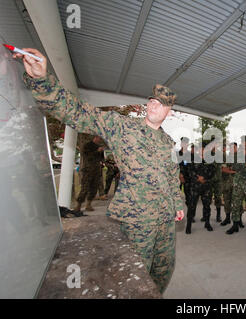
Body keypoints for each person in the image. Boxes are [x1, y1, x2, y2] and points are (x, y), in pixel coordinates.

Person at [16, 48, 184, 294]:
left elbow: (171, 177)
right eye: (152, 101)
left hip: (166, 219)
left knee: (163, 270)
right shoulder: (121, 126)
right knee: (136, 274)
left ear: (169, 111)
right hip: (138, 219)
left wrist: (178, 203)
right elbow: (77, 112)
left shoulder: (168, 142)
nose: (154, 105)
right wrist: (42, 80)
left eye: (161, 104)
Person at [185, 142, 216, 234]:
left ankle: (207, 223)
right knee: (191, 206)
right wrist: (198, 178)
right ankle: (189, 225)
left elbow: (213, 171)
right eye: (201, 149)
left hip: (206, 187)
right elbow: (190, 171)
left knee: (207, 206)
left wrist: (205, 178)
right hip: (195, 187)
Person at [75, 135, 105, 212]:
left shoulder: (99, 146)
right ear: (95, 137)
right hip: (88, 170)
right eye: (99, 138)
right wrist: (97, 151)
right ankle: (78, 205)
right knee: (85, 187)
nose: (100, 140)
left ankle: (88, 204)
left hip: (96, 170)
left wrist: (101, 155)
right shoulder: (87, 146)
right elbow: (87, 156)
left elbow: (102, 158)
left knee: (94, 188)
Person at [221, 142, 238, 226]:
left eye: (233, 147)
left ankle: (239, 220)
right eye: (230, 148)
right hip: (227, 183)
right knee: (227, 201)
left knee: (237, 202)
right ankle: (227, 218)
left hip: (237, 184)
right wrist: (234, 170)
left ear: (236, 148)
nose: (232, 149)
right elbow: (223, 169)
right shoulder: (226, 158)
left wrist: (230, 169)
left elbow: (242, 170)